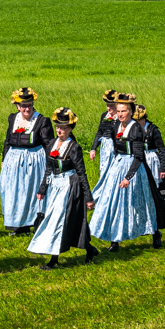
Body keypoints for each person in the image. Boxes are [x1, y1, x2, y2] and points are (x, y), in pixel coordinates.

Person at [30, 108, 98, 269]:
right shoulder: (51, 144)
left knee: (59, 221)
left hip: (69, 187)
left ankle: (53, 260)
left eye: (63, 128)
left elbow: (81, 173)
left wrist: (88, 198)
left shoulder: (74, 147)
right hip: (54, 187)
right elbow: (48, 169)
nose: (59, 130)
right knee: (61, 221)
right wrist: (42, 189)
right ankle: (90, 249)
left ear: (70, 129)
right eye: (58, 127)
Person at [90, 94, 159, 250]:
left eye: (124, 111)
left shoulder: (136, 129)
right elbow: (112, 144)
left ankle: (155, 232)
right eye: (119, 111)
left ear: (131, 112)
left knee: (141, 204)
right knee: (113, 201)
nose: (120, 114)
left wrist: (128, 177)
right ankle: (114, 240)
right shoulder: (116, 125)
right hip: (118, 165)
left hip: (133, 169)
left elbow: (139, 157)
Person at [0, 87, 53, 235]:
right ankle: (17, 225)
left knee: (30, 192)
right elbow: (7, 141)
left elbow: (48, 144)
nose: (27, 109)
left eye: (29, 105)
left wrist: (50, 164)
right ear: (18, 106)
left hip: (33, 161)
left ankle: (35, 222)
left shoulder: (42, 121)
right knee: (13, 192)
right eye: (23, 106)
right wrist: (4, 159)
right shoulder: (13, 118)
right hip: (13, 161)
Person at [131, 103, 165, 237]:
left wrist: (162, 168)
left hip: (151, 160)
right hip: (138, 159)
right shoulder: (132, 130)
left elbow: (162, 149)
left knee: (154, 191)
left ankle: (156, 219)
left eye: (139, 120)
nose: (137, 122)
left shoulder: (153, 130)